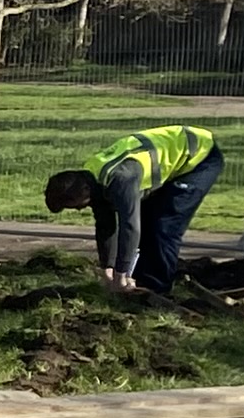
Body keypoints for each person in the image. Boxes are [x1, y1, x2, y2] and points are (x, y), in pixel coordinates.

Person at [45, 122, 220, 296]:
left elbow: (130, 227)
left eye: (76, 206)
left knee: (164, 225)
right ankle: (139, 281)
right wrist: (108, 269)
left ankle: (157, 290)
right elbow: (106, 226)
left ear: (82, 194)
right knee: (147, 220)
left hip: (200, 155)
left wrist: (119, 276)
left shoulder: (121, 180)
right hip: (171, 158)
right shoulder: (90, 180)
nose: (79, 210)